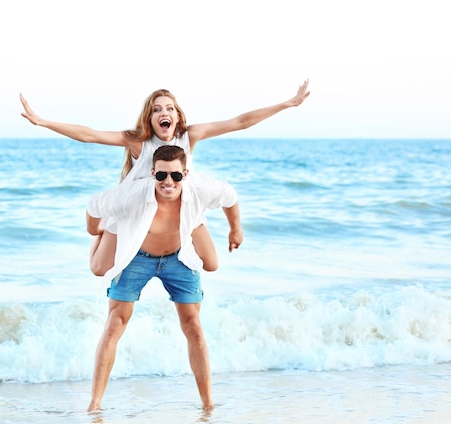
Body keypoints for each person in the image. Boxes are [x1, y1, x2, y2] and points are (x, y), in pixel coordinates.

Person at [20, 80, 310, 275]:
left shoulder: (189, 136)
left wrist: (286, 104)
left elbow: (239, 122)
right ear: (150, 118)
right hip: (135, 210)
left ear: (178, 115)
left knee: (211, 265)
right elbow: (89, 135)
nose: (164, 112)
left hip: (182, 207)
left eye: (169, 108)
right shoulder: (138, 142)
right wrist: (43, 121)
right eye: (157, 109)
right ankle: (101, 231)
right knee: (98, 270)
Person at [85, 145, 242, 411]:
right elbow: (93, 206)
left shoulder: (201, 189)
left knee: (193, 324)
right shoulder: (131, 195)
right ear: (152, 173)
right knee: (115, 322)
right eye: (161, 176)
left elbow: (231, 197)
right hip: (137, 256)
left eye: (176, 176)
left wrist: (235, 229)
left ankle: (208, 404)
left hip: (179, 257)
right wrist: (95, 230)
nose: (168, 182)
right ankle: (95, 403)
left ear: (186, 174)